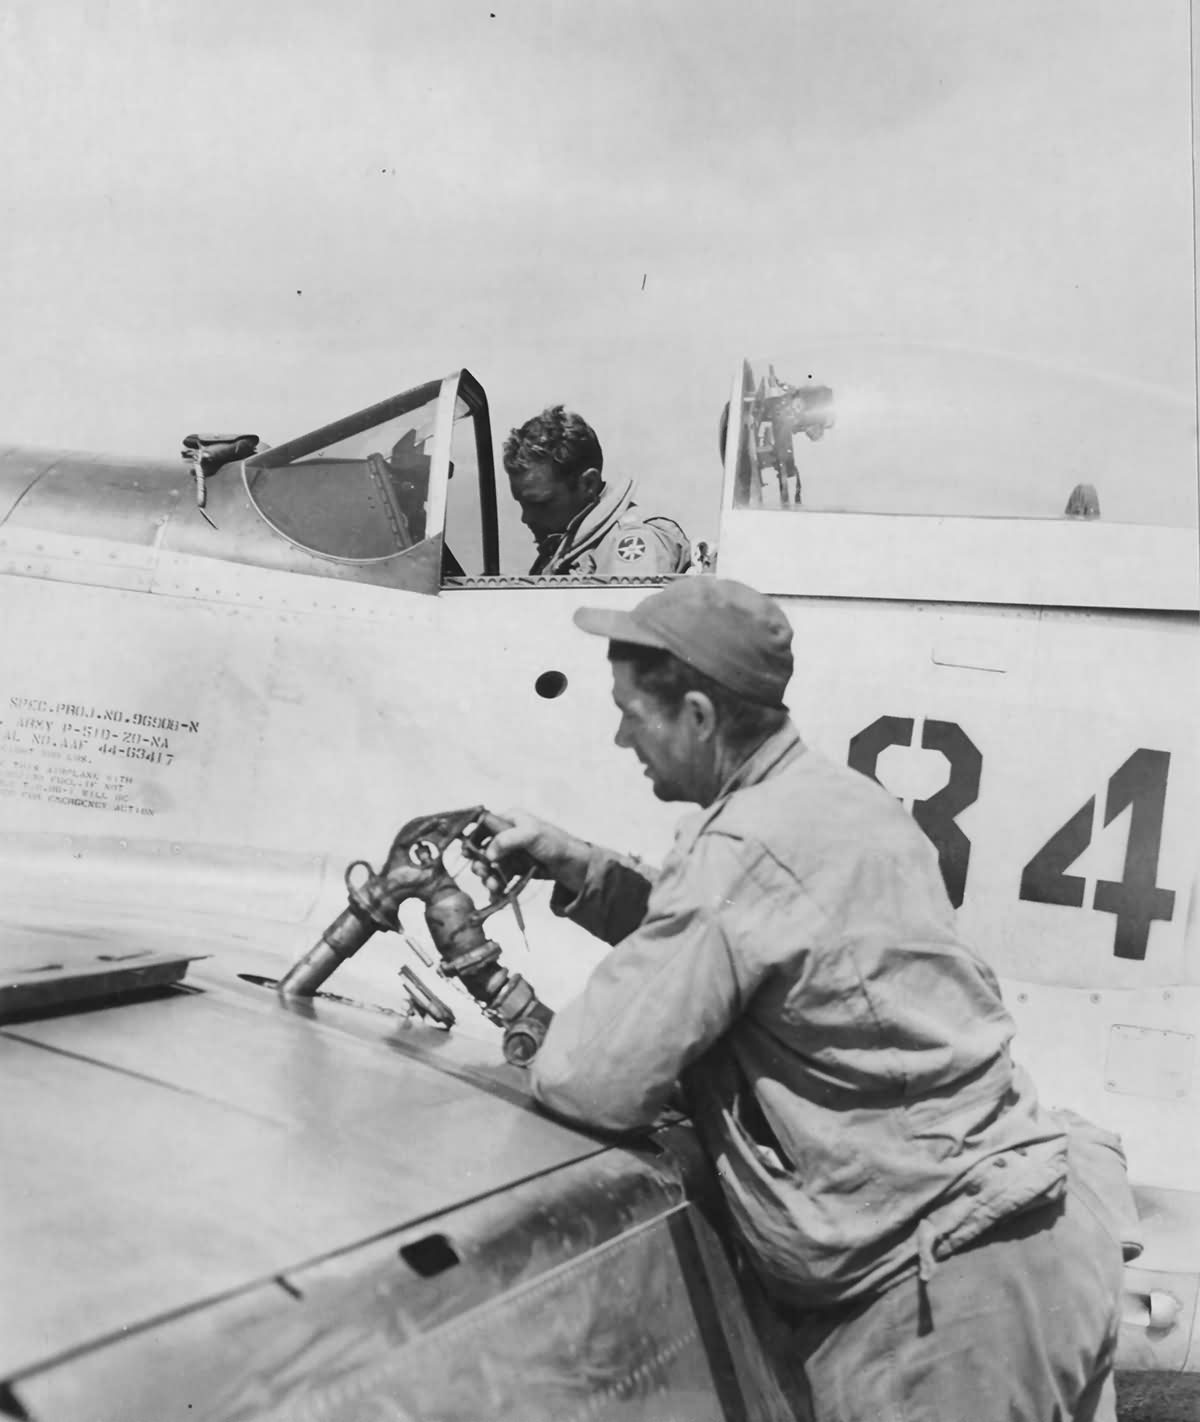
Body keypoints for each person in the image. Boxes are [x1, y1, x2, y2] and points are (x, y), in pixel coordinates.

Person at [485, 576, 1134, 1422]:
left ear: (699, 717)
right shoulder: (836, 803)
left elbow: (594, 1081)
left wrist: (526, 1027)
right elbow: (766, 946)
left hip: (953, 1307)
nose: (619, 736)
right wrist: (583, 869)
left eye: (631, 714)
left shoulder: (743, 849)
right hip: (1040, 1249)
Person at [502, 405, 690, 576]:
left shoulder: (632, 543)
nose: (526, 517)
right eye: (522, 503)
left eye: (541, 504)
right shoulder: (564, 549)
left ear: (588, 484)